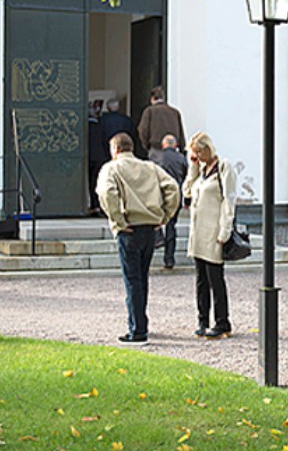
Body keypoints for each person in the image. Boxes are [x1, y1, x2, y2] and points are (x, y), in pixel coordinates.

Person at [96, 132, 180, 343]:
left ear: (115, 149)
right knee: (142, 278)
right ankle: (141, 322)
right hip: (150, 228)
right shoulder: (149, 167)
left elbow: (107, 193)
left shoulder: (111, 168)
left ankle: (138, 329)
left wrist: (118, 221)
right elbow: (173, 188)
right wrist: (164, 215)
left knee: (132, 280)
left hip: (129, 228)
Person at [183, 131, 236, 339]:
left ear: (207, 149)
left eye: (197, 152)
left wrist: (225, 229)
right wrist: (193, 167)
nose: (196, 156)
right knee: (201, 279)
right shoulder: (201, 170)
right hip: (198, 232)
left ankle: (222, 322)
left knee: (216, 278)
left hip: (214, 231)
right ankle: (202, 320)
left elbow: (229, 201)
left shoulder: (224, 168)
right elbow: (186, 191)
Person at [152, 134, 188, 269]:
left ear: (163, 145)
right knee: (171, 226)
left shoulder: (156, 157)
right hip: (176, 194)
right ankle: (169, 259)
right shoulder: (181, 158)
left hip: (159, 194)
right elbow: (186, 176)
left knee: (155, 221)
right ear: (175, 145)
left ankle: (158, 238)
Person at [137, 86, 186, 165]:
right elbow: (181, 133)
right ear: (163, 97)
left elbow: (143, 130)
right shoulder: (175, 112)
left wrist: (147, 146)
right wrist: (182, 150)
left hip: (156, 150)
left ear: (152, 98)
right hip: (173, 151)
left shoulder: (149, 111)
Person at [87, 101, 108, 215]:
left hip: (88, 158)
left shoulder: (84, 128)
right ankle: (99, 205)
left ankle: (94, 205)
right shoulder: (101, 127)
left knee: (90, 182)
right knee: (98, 182)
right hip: (100, 158)